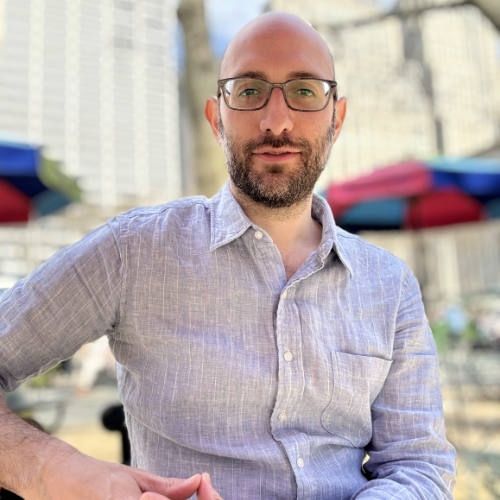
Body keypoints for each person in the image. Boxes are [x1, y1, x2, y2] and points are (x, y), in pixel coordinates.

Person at [0, 12, 455, 500]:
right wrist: (46, 468)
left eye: (304, 91)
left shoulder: (390, 285)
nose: (276, 121)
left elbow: (418, 463)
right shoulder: (133, 252)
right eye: (248, 90)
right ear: (216, 118)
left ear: (336, 119)